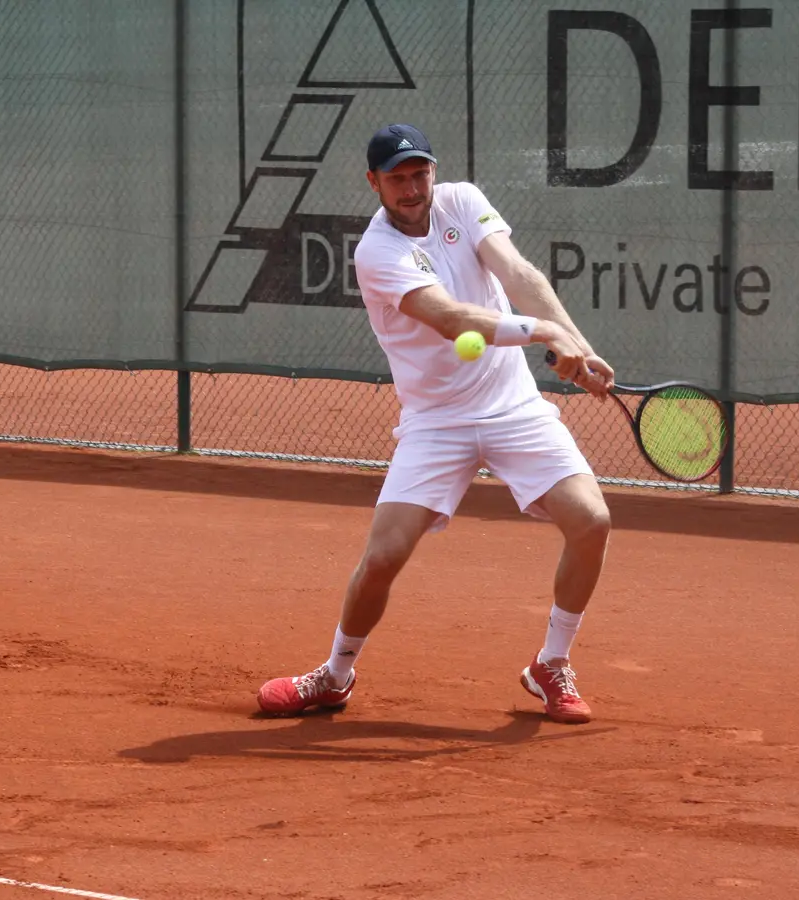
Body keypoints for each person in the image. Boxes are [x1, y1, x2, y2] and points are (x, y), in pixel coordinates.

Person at [256, 124, 616, 724]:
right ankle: (335, 676)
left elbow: (519, 274)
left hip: (513, 408)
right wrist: (545, 333)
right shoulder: (376, 252)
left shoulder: (462, 201)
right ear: (373, 183)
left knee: (592, 521)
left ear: (434, 172)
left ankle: (551, 664)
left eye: (419, 174)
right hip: (436, 423)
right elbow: (450, 318)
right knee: (383, 557)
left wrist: (579, 345)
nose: (411, 188)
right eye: (396, 178)